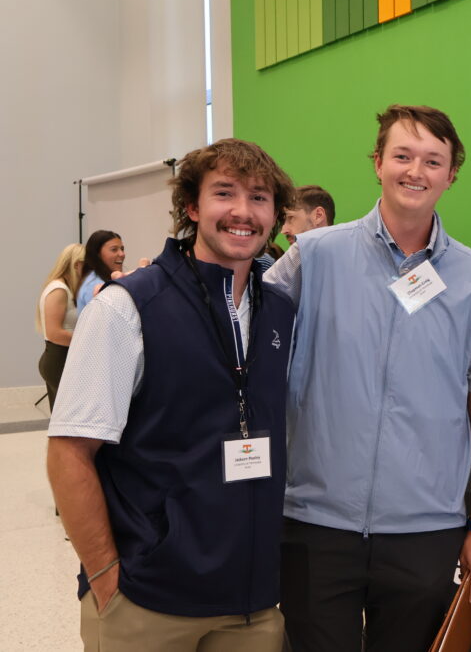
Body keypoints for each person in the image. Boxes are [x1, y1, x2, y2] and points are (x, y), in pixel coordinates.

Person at [266, 104, 471, 652]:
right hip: (314, 521)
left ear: (451, 174)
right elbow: (246, 331)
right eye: (401, 155)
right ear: (377, 163)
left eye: (432, 160)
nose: (414, 171)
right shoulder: (313, 256)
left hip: (424, 529)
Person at [47, 138, 297, 652]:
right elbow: (70, 453)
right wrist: (106, 577)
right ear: (191, 206)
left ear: (274, 214)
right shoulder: (127, 308)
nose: (242, 212)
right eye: (224, 193)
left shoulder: (279, 311)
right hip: (147, 598)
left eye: (259, 197)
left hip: (250, 605)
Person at [37, 243, 85, 410]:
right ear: (77, 264)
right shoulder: (59, 290)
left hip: (64, 357)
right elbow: (54, 333)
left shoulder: (67, 289)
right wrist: (87, 340)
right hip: (59, 359)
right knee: (66, 422)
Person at [76, 230, 125, 307]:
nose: (122, 254)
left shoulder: (99, 279)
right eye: (114, 249)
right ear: (97, 254)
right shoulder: (94, 284)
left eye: (122, 249)